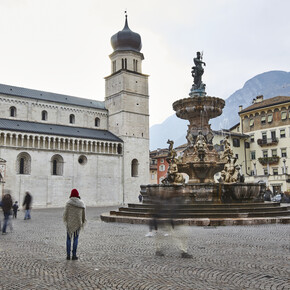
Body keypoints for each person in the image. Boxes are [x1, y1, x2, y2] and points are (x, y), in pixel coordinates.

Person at [63, 189, 86, 260]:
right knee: (76, 239)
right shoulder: (81, 204)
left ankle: (68, 255)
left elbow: (65, 214)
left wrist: (67, 220)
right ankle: (74, 255)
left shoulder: (68, 203)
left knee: (68, 239)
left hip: (69, 224)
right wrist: (82, 221)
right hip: (78, 224)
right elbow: (83, 215)